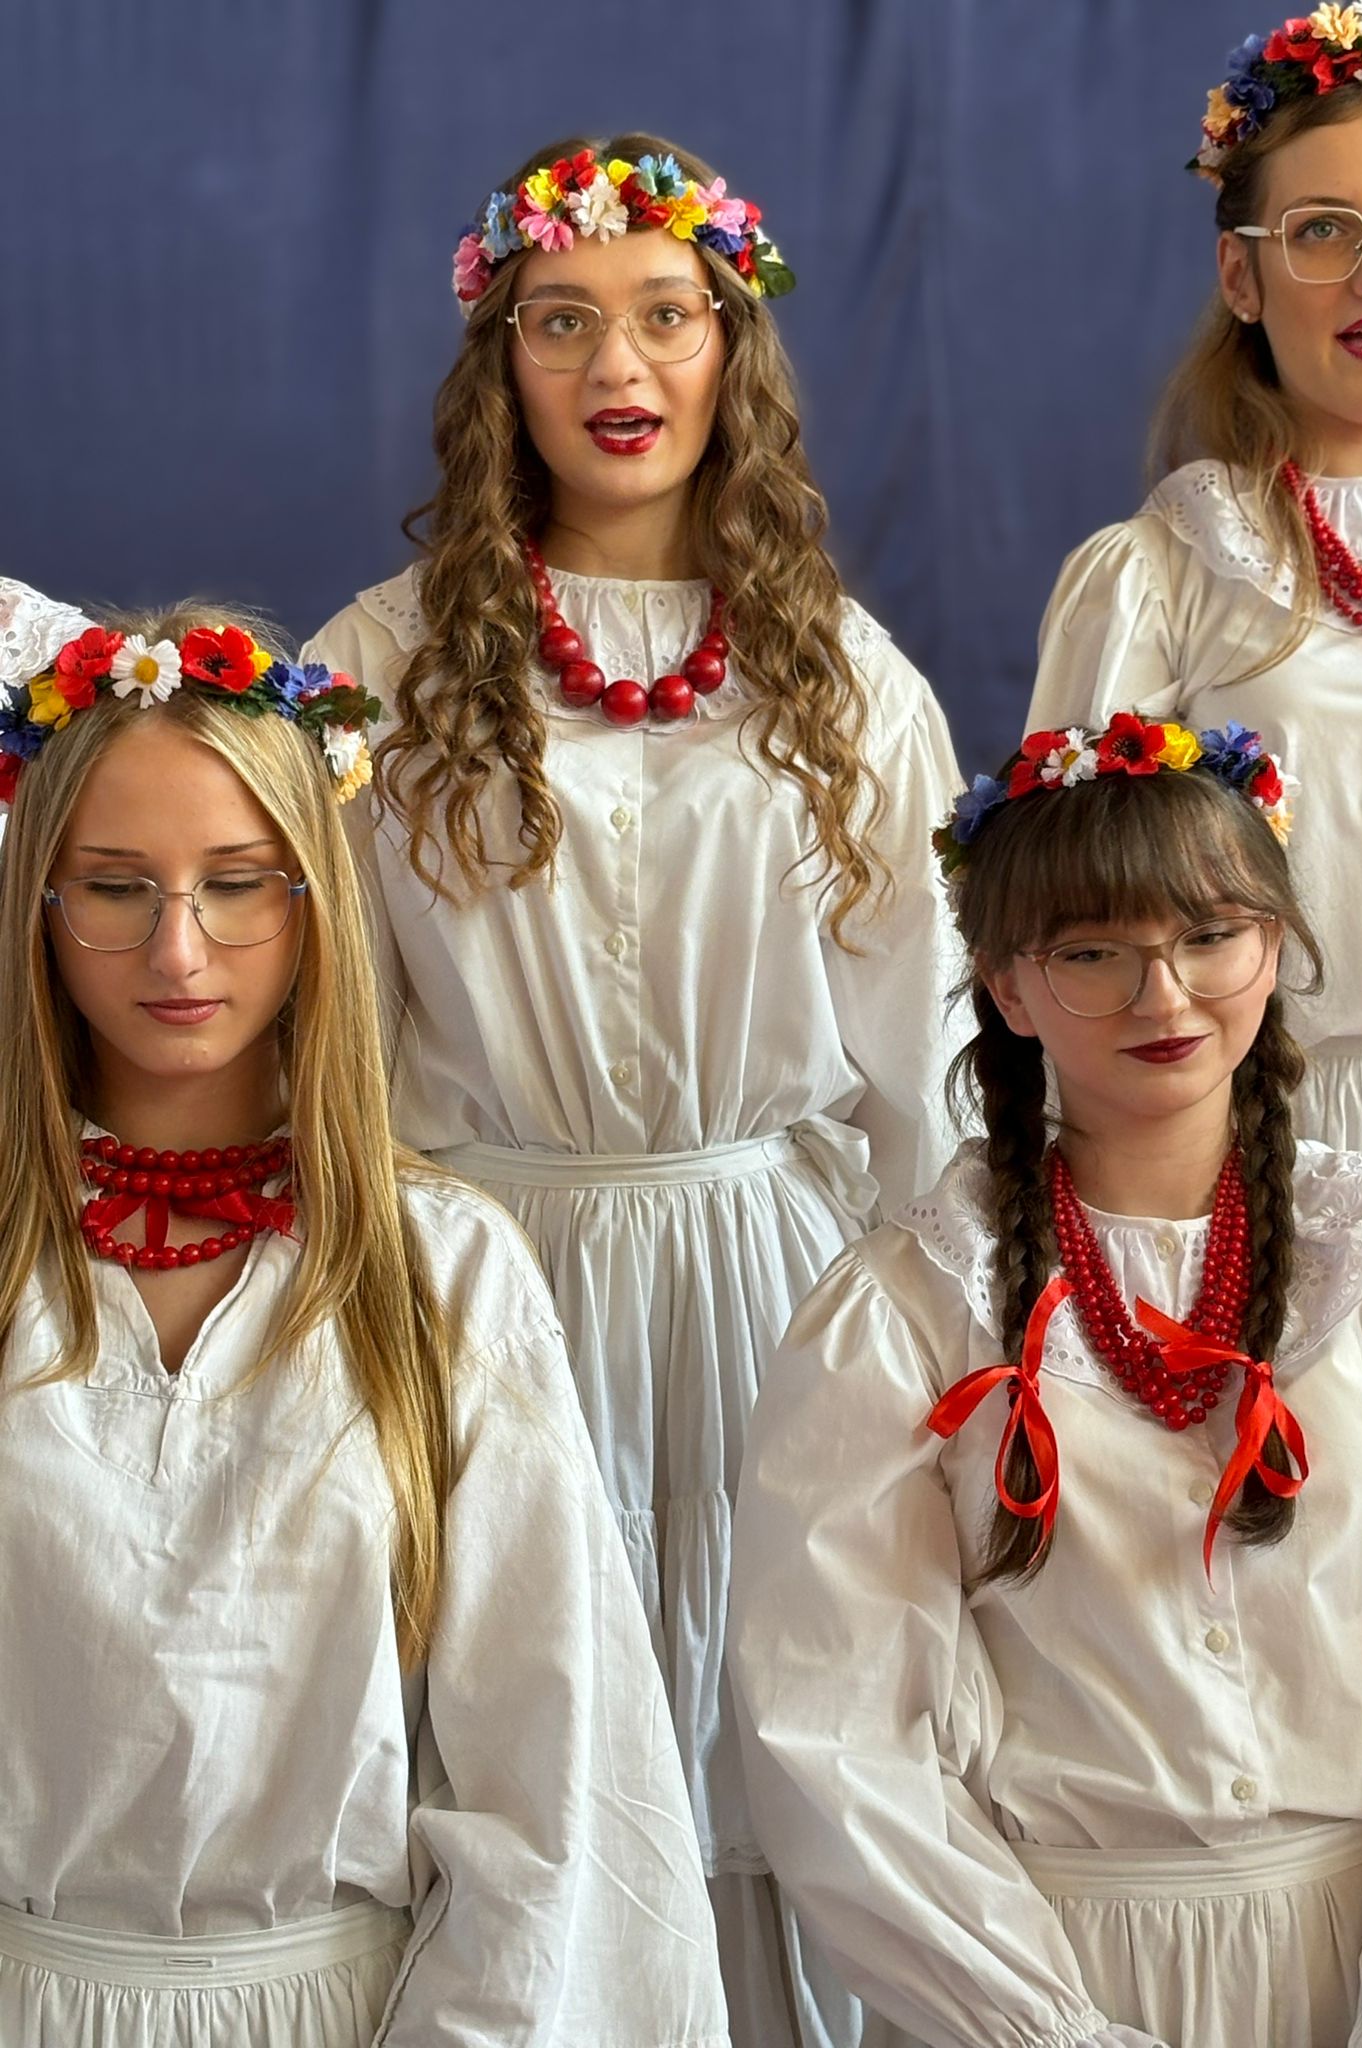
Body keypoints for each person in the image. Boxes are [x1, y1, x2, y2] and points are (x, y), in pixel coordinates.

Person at [306, 133, 961, 2046]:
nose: (618, 364)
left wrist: (951, 1352)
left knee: (778, 1752)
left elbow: (928, 1058)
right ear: (499, 363)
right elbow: (325, 1039)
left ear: (728, 347)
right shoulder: (382, 668)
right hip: (485, 1281)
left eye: (667, 315)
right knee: (530, 1754)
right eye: (562, 320)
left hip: (777, 1292)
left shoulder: (840, 677)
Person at [728, 711, 1362, 2048]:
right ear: (1006, 988)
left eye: (1209, 936)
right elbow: (836, 1738)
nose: (1163, 997)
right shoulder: (902, 1314)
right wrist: (1048, 2031)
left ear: (1274, 946)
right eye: (1093, 952)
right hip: (1034, 1976)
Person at [0, 601, 728, 2047]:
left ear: (313, 900)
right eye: (116, 887)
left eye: (236, 884)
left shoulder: (443, 1270)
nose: (178, 949)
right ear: (39, 903)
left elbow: (554, 1791)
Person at [1026, 5, 1362, 1275]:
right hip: (1289, 1160)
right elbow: (1075, 929)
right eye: (1323, 231)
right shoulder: (1162, 577)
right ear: (1241, 276)